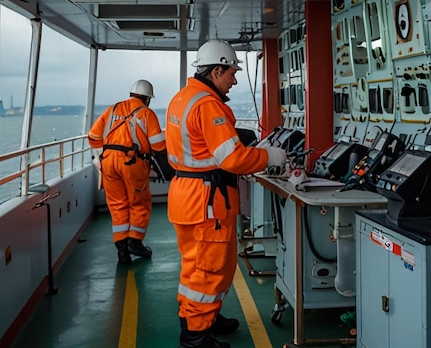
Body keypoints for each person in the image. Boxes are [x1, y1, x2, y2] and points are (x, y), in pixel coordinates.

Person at [165, 40, 287, 348]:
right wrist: (268, 157)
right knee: (210, 269)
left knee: (196, 266)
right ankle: (195, 336)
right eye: (231, 73)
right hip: (207, 201)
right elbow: (231, 158)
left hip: (187, 195)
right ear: (216, 70)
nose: (234, 79)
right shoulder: (207, 105)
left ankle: (203, 317)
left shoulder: (183, 98)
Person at [88, 79, 166, 265]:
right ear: (148, 99)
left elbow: (93, 136)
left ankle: (122, 252)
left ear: (131, 94)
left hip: (108, 162)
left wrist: (102, 154)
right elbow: (158, 145)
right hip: (132, 162)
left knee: (117, 205)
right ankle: (135, 243)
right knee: (139, 203)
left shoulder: (112, 109)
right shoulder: (147, 113)